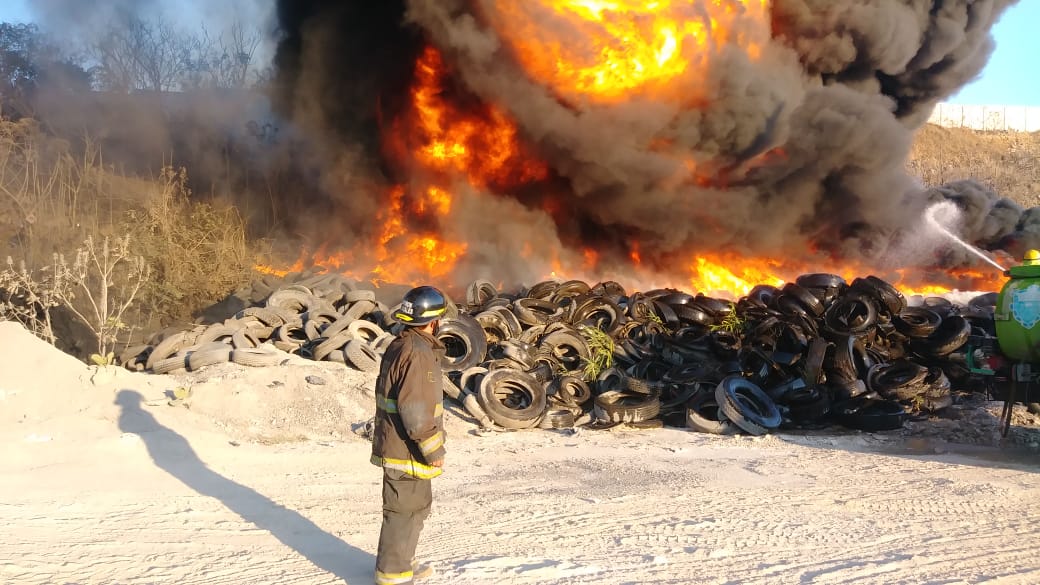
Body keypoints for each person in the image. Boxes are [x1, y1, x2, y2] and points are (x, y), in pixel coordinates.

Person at [371, 285, 448, 585]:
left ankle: (403, 563)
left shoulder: (402, 344)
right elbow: (416, 411)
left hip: (402, 447)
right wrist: (435, 451)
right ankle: (393, 576)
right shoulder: (418, 354)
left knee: (414, 509)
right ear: (433, 321)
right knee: (402, 513)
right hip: (407, 450)